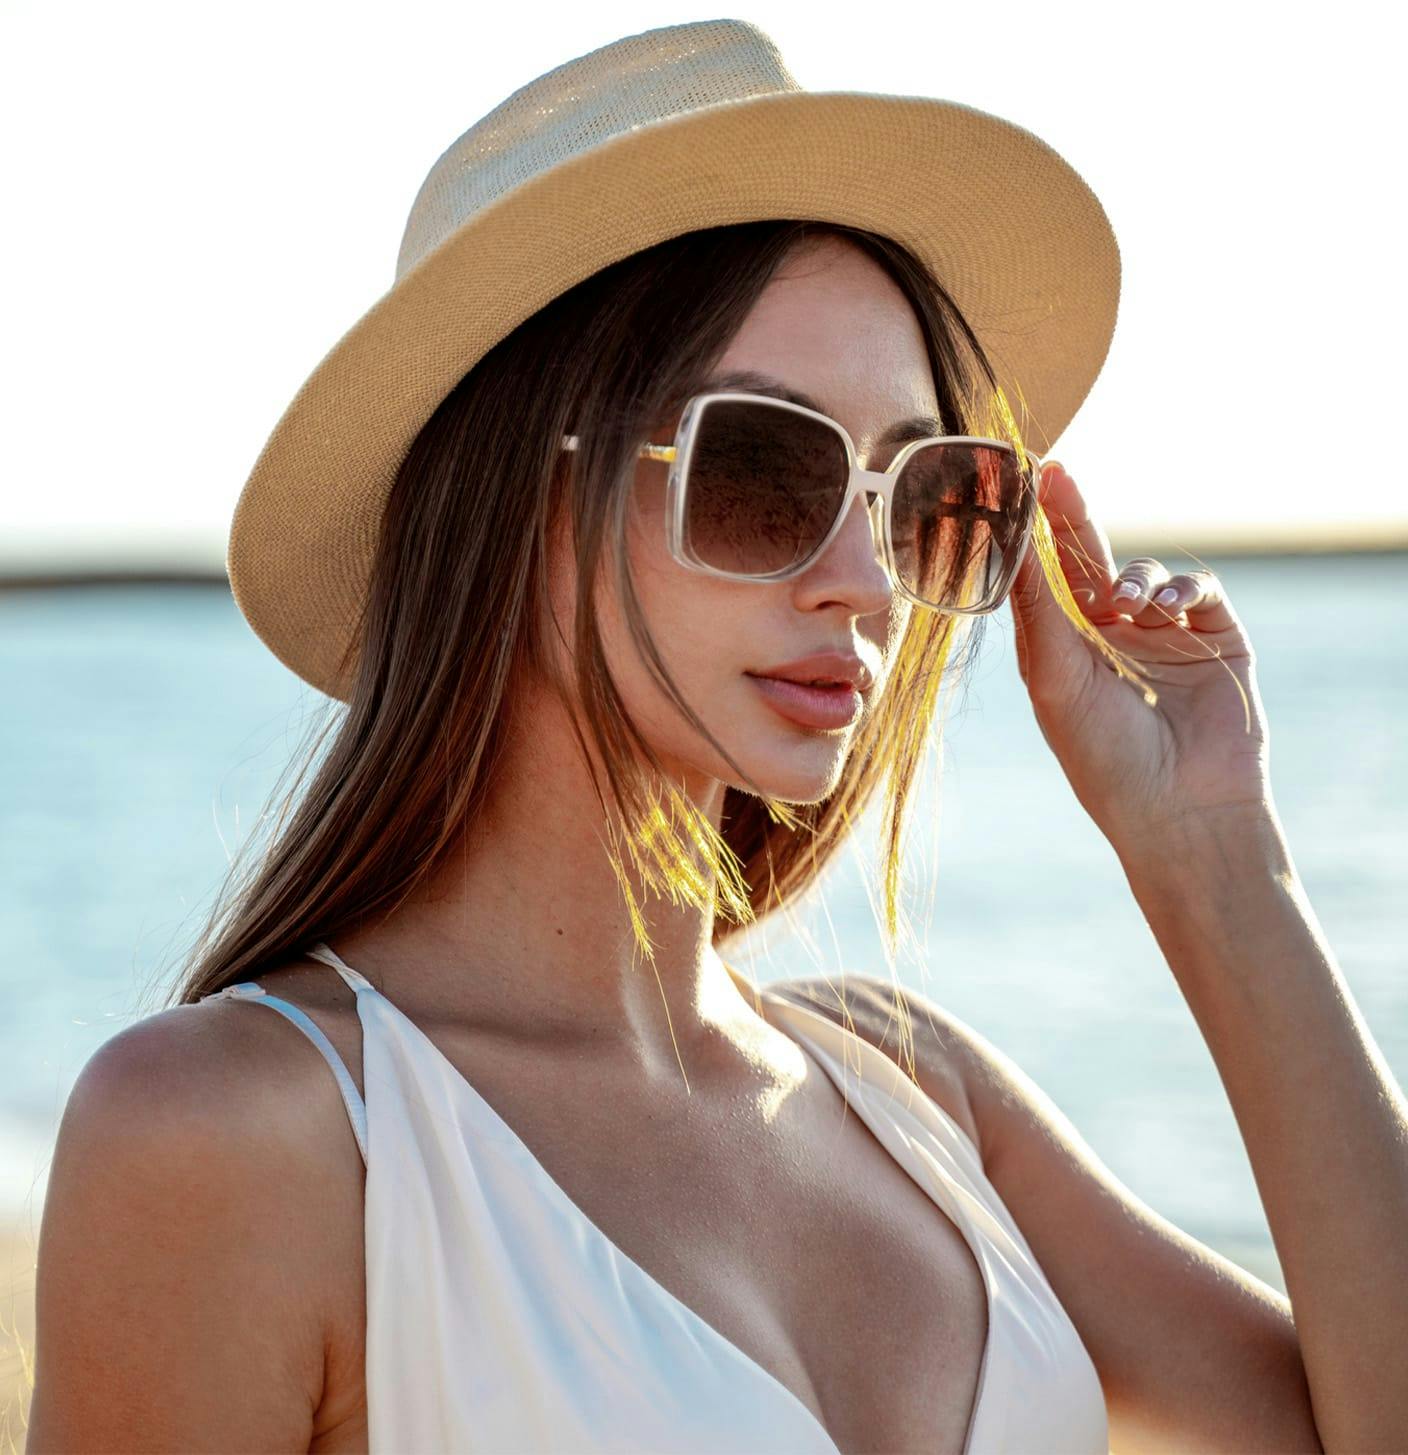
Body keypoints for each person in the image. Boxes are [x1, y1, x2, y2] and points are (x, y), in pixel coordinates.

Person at [26, 18, 1405, 1455]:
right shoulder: (249, 1135)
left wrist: (1217, 856)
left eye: (922, 491)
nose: (868, 584)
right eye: (764, 467)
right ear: (516, 502)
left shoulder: (921, 1101)